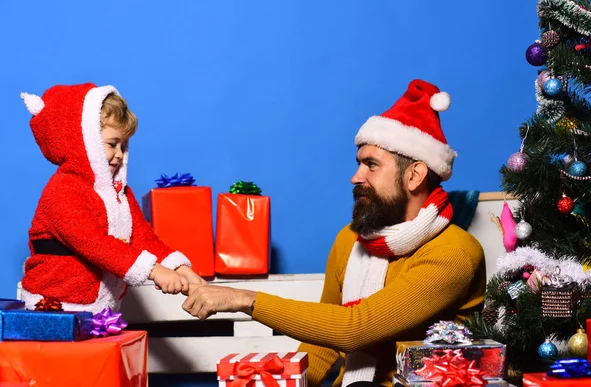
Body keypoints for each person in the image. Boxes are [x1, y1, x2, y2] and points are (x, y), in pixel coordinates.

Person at [181, 79, 486, 387]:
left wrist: (244, 299)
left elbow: (354, 329)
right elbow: (323, 341)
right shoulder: (350, 240)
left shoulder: (453, 253)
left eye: (371, 165)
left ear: (414, 176)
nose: (356, 177)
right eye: (359, 164)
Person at [19, 83, 204, 314]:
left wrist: (178, 267)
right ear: (83, 142)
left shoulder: (119, 192)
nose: (119, 154)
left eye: (124, 146)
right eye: (112, 144)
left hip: (102, 307)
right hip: (57, 304)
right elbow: (93, 243)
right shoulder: (63, 189)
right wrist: (155, 271)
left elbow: (142, 237)